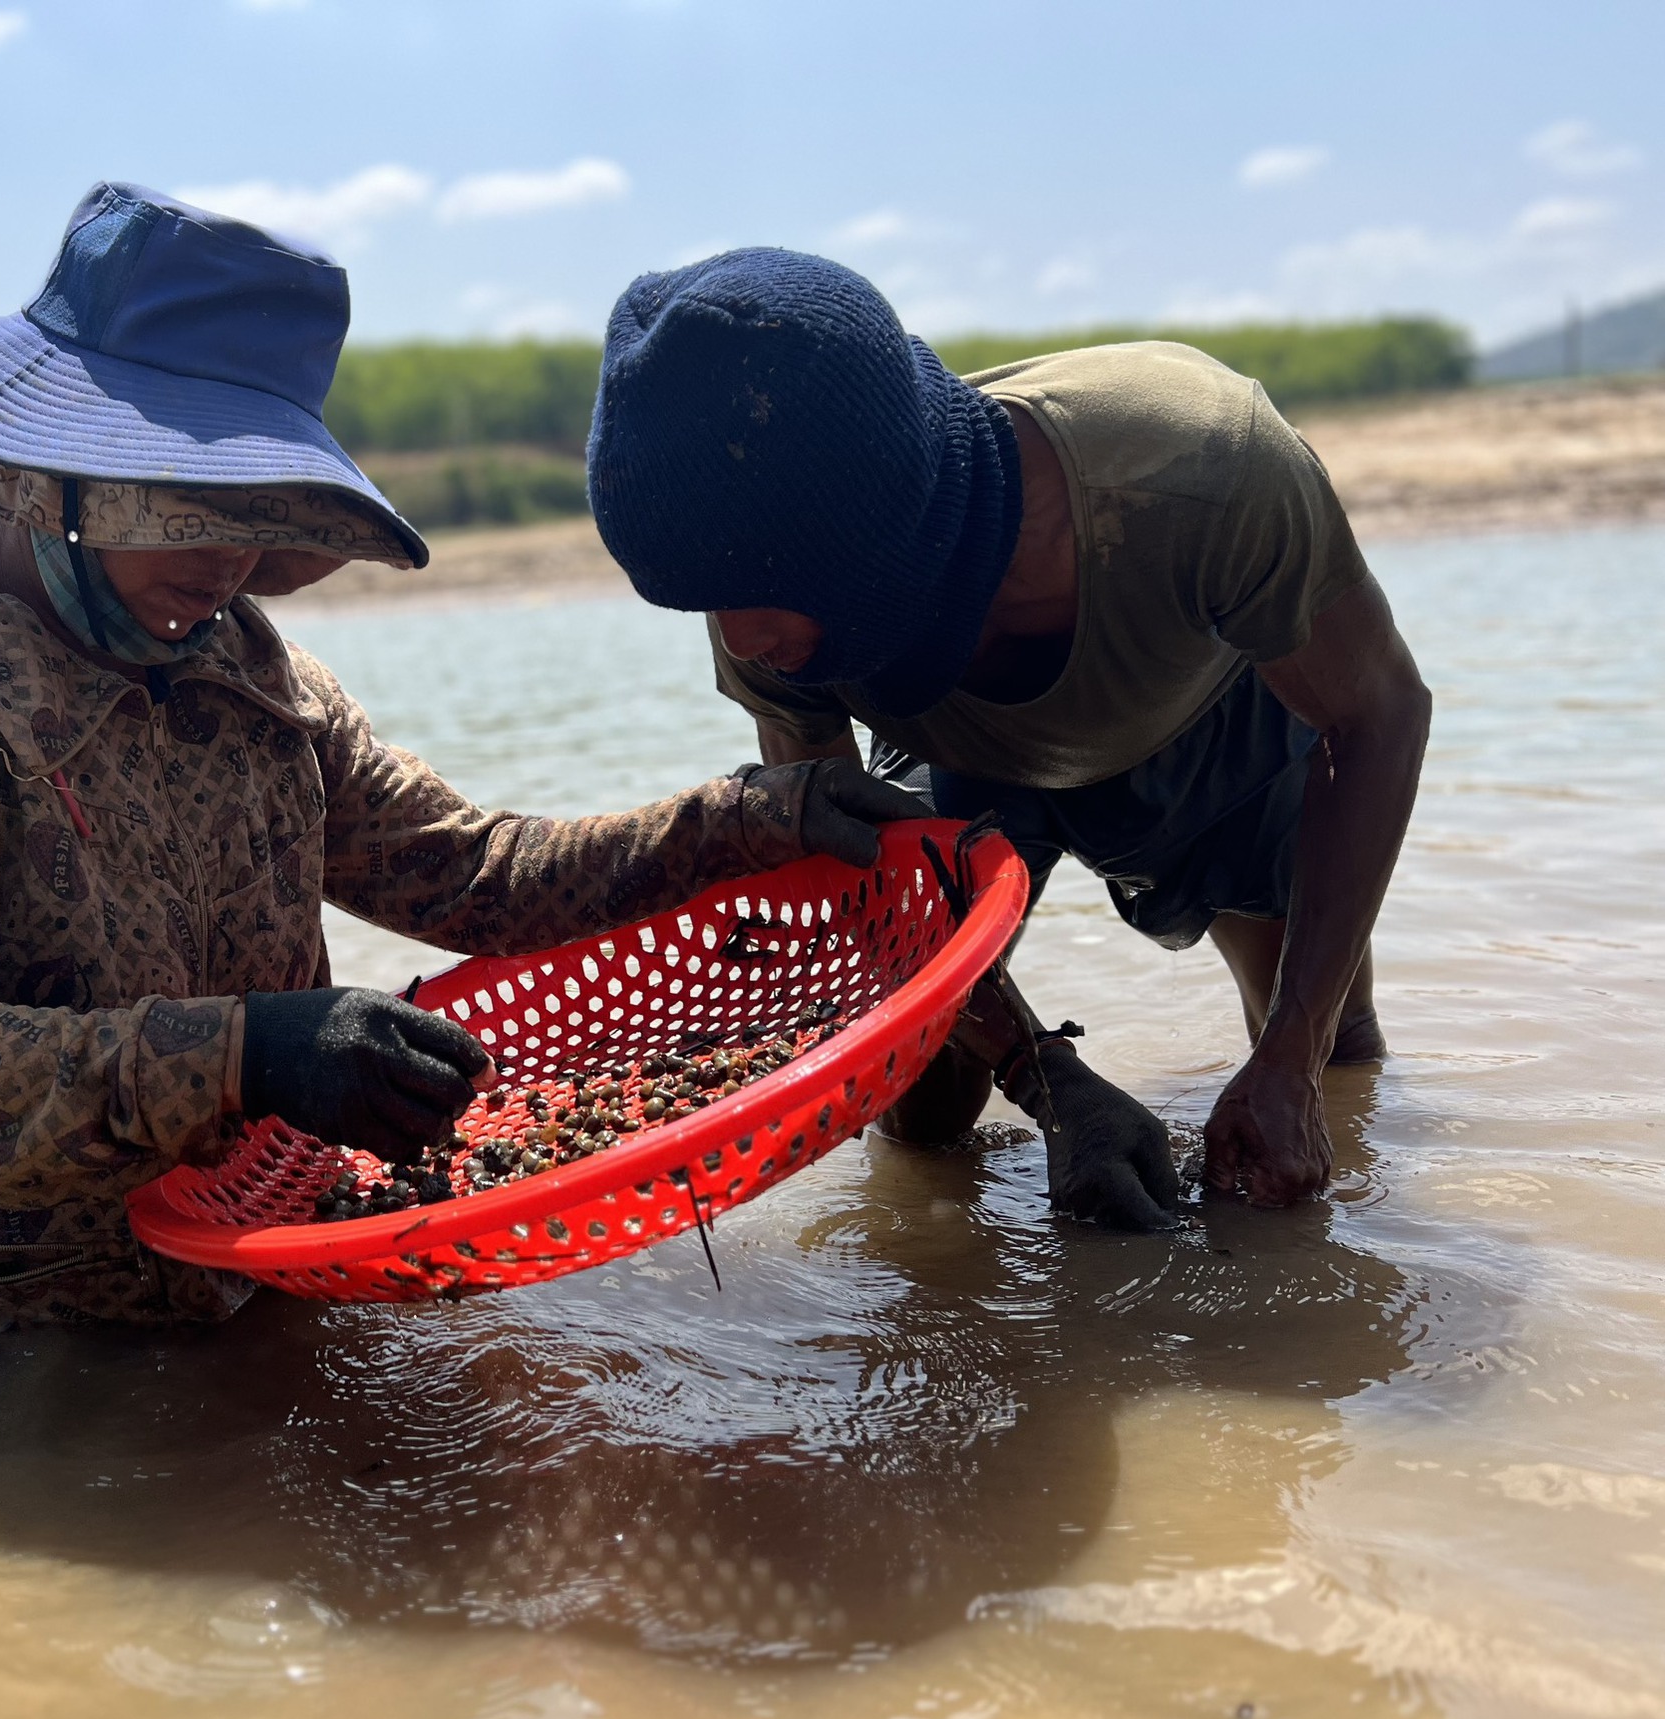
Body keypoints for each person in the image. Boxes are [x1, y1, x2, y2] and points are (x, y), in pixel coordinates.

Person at [0, 186, 926, 1377]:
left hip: (269, 1279)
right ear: (44, 472)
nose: (229, 562)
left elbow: (474, 876)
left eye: (254, 518)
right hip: (24, 1350)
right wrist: (248, 1055)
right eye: (184, 505)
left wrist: (753, 818)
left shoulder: (253, 678)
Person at [585, 250, 1432, 1223]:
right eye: (701, 604)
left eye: (756, 601)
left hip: (1201, 726)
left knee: (1336, 1061)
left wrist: (1292, 1048)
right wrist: (1049, 1082)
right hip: (955, 759)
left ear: (875, 536)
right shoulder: (755, 573)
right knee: (915, 1118)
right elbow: (854, 881)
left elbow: (1380, 715)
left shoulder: (1204, 470)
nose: (739, 643)